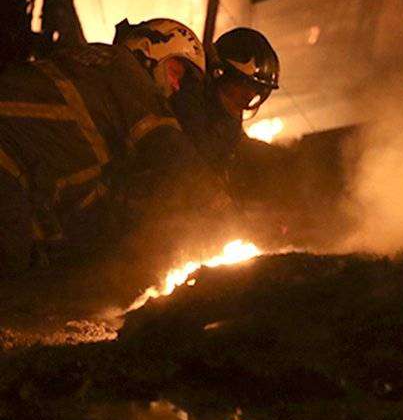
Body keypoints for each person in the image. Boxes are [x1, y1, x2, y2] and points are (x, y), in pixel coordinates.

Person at [0, 18, 233, 275]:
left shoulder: (92, 70)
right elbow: (171, 150)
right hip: (6, 162)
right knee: (11, 260)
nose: (176, 86)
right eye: (176, 72)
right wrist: (223, 210)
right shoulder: (126, 69)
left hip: (14, 169)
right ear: (149, 50)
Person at [167, 27, 281, 181]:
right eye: (244, 86)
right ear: (219, 74)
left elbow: (239, 147)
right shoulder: (183, 109)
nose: (250, 96)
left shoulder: (226, 128)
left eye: (257, 90)